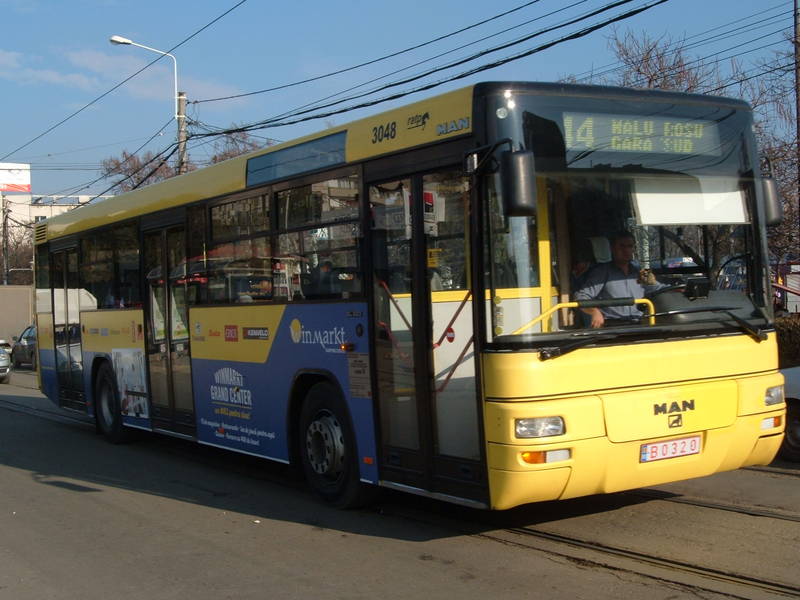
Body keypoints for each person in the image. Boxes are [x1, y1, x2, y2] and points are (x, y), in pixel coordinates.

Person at [574, 231, 663, 328]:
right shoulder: (602, 272)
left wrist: (658, 284)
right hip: (613, 327)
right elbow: (581, 296)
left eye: (630, 246)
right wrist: (594, 311)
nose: (626, 250)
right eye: (622, 246)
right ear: (612, 249)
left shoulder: (640, 271)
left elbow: (661, 289)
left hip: (641, 324)